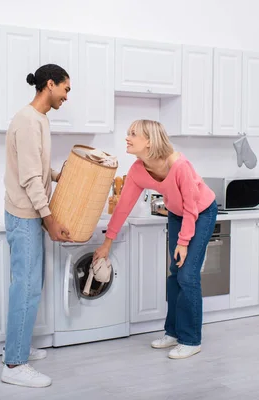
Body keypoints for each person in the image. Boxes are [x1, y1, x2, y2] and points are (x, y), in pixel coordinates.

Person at [94, 119, 217, 360]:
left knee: (188, 275)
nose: (127, 138)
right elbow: (123, 207)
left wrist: (183, 242)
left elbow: (192, 207)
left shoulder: (178, 165)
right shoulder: (138, 170)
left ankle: (191, 339)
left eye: (133, 134)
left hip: (201, 212)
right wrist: (107, 242)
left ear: (149, 141)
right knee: (174, 273)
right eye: (128, 133)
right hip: (177, 213)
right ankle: (172, 332)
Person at [2, 64, 72, 388]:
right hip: (26, 215)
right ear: (49, 84)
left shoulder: (39, 119)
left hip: (29, 213)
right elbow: (30, 178)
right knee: (26, 288)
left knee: (32, 287)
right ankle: (14, 364)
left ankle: (19, 345)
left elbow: (37, 167)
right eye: (65, 89)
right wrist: (50, 219)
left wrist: (58, 175)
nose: (66, 96)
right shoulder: (28, 121)